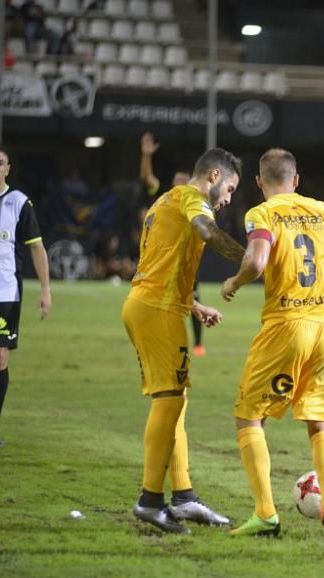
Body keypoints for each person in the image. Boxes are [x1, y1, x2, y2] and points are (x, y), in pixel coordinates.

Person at [220, 148, 324, 540]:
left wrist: (233, 283)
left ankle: (266, 514)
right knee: (320, 421)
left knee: (248, 415)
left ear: (259, 182)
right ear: (296, 180)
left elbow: (256, 263)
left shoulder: (262, 213)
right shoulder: (323, 210)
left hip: (287, 327)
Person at [122, 146, 246, 534]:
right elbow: (206, 231)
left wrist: (193, 305)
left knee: (176, 400)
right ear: (214, 176)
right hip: (157, 310)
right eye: (229, 189)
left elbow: (162, 262)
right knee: (169, 400)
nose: (228, 198)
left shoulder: (166, 199)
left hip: (152, 304)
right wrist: (253, 262)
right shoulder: (194, 200)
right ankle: (150, 500)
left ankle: (184, 496)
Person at [0, 142, 52, 448]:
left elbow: (36, 247)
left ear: (7, 169)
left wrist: (45, 290)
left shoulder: (19, 202)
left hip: (5, 294)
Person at [139, 133, 205, 356]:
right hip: (162, 257)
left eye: (183, 182)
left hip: (184, 260)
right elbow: (148, 179)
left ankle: (197, 344)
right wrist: (146, 155)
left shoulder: (193, 203)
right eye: (176, 181)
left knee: (193, 298)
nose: (178, 184)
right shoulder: (165, 197)